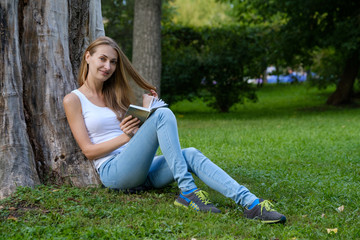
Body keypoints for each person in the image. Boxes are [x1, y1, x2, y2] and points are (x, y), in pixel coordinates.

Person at [63, 36, 286, 224]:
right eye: (103, 59)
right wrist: (125, 137)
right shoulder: (74, 99)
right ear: (88, 57)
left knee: (190, 153)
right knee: (165, 114)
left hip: (142, 169)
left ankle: (251, 204)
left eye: (112, 61)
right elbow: (89, 151)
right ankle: (188, 192)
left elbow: (137, 135)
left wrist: (145, 110)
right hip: (114, 172)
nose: (108, 66)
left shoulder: (114, 95)